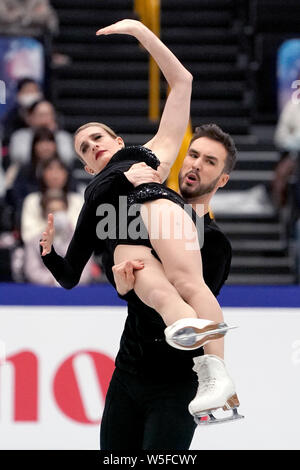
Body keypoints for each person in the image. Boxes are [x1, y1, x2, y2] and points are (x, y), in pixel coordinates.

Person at [39, 20, 241, 435]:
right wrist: (48, 255)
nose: (93, 144)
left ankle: (216, 371)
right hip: (131, 251)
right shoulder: (93, 202)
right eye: (83, 147)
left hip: (158, 209)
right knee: (135, 264)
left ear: (117, 140)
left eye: (98, 136)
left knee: (188, 282)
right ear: (86, 166)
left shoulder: (145, 156)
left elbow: (182, 82)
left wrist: (139, 32)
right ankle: (188, 334)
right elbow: (69, 276)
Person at [100, 123, 240, 450]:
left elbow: (187, 318)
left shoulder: (215, 244)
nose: (196, 164)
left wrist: (130, 289)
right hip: (128, 374)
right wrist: (124, 284)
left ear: (222, 180)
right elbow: (113, 261)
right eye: (193, 154)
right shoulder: (149, 215)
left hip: (175, 386)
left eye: (210, 161)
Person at [24, 188, 92, 285]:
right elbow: (32, 271)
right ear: (44, 214)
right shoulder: (34, 241)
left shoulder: (82, 239)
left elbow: (86, 272)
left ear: (67, 210)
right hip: (46, 291)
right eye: (52, 211)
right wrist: (56, 280)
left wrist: (66, 280)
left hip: (75, 290)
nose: (58, 215)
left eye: (61, 210)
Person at [9, 99, 75, 167]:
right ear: (30, 117)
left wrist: (51, 134)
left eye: (48, 115)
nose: (45, 119)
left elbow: (67, 157)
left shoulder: (63, 136)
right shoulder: (19, 136)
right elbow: (19, 156)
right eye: (41, 115)